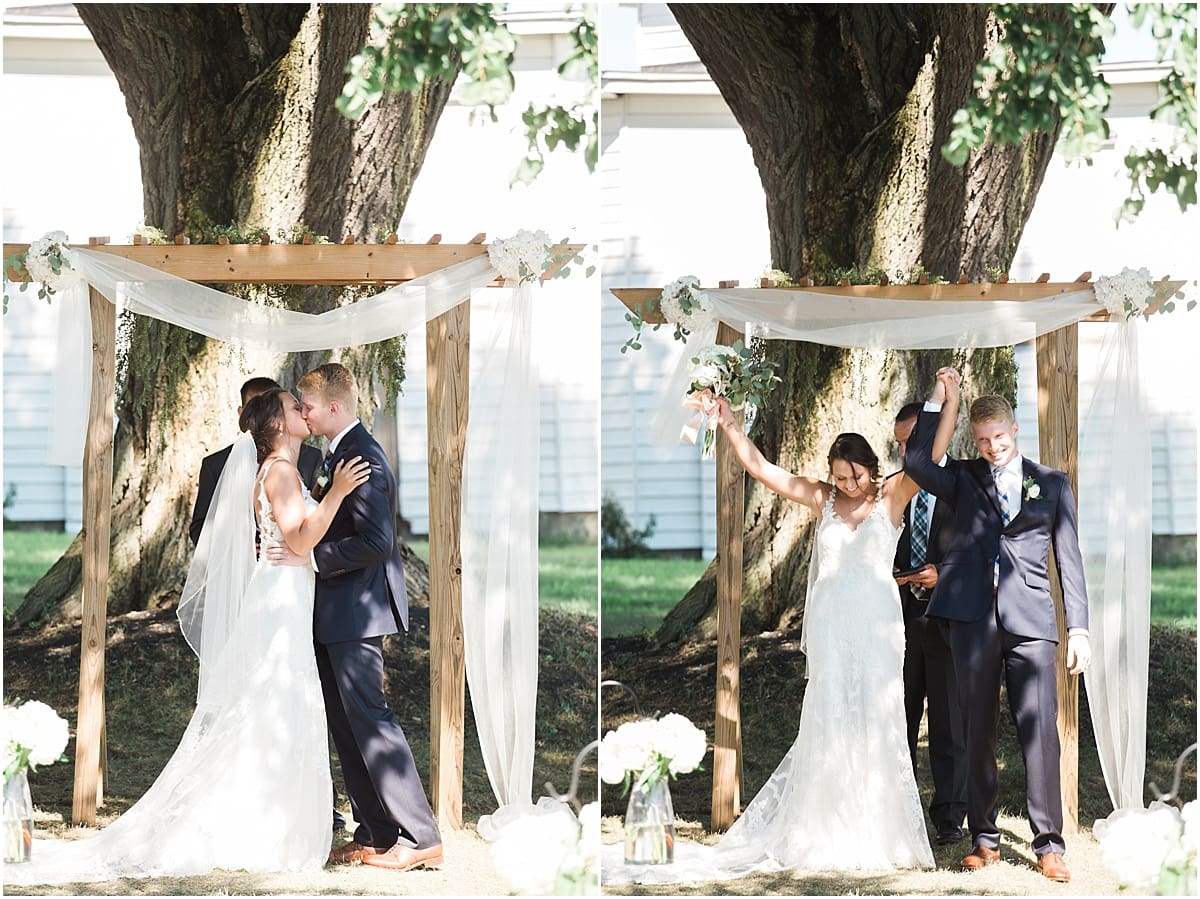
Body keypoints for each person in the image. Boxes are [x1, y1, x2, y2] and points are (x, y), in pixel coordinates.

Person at [4, 389, 370, 885]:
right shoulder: (281, 472)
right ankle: (260, 827)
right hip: (280, 602)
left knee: (272, 707)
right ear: (278, 425)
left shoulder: (282, 468)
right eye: (292, 407)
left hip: (285, 595)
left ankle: (262, 818)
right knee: (273, 702)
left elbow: (294, 540)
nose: (302, 411)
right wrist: (338, 493)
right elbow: (301, 538)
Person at [652, 387, 958, 878]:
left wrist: (948, 402)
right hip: (834, 625)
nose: (848, 485)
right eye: (839, 477)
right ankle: (825, 827)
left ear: (871, 466)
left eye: (854, 475)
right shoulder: (823, 498)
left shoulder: (895, 491)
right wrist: (729, 423)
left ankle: (880, 829)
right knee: (832, 712)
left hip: (879, 626)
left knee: (878, 716)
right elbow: (763, 470)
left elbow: (935, 453)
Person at [903, 367, 1091, 884]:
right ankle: (983, 839)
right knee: (975, 728)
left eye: (999, 438)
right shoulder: (961, 480)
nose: (991, 447)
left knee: (1040, 735)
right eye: (982, 440)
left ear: (1014, 431)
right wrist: (941, 399)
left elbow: (1068, 560)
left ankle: (1049, 844)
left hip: (1032, 621)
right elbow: (916, 460)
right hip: (971, 621)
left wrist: (1079, 629)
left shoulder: (1051, 484)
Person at [265, 362, 443, 873]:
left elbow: (376, 543)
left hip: (358, 611)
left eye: (309, 406)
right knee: (346, 725)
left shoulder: (363, 456)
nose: (303, 413)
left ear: (334, 408)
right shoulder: (336, 454)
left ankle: (421, 835)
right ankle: (375, 831)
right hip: (332, 610)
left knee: (372, 720)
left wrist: (312, 559)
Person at [891, 401, 967, 846]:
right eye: (899, 443)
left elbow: (983, 548)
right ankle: (898, 808)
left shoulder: (963, 482)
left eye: (911, 441)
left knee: (947, 718)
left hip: (947, 613)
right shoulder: (892, 485)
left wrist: (945, 573)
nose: (904, 451)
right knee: (898, 714)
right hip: (897, 618)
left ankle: (949, 815)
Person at [189, 376, 322, 546]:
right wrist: (241, 549)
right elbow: (200, 529)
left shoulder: (311, 458)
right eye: (256, 409)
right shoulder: (215, 465)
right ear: (242, 413)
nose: (261, 416)